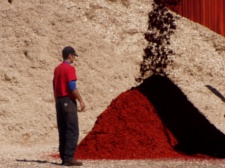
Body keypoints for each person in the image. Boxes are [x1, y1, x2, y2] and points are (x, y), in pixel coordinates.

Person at [53, 46, 85, 166]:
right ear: (70, 55)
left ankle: (63, 157)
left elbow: (54, 85)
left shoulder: (57, 69)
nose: (74, 59)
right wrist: (81, 100)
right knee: (72, 129)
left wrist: (57, 99)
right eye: (73, 56)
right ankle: (69, 158)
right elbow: (72, 86)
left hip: (59, 100)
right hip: (68, 100)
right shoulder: (69, 68)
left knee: (63, 129)